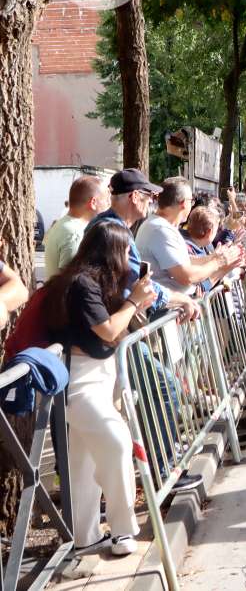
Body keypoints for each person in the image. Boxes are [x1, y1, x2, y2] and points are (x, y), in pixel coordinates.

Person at [43, 221, 158, 556]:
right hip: (79, 381)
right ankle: (123, 530)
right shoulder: (81, 284)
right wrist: (134, 303)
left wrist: (134, 305)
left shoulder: (92, 282)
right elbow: (108, 331)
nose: (129, 258)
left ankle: (86, 535)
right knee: (116, 441)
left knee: (83, 461)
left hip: (94, 376)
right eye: (125, 250)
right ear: (110, 252)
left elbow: (112, 331)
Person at [88, 169, 200, 321]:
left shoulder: (101, 223)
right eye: (150, 196)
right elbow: (138, 284)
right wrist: (183, 299)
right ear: (134, 196)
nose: (152, 201)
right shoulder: (115, 233)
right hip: (107, 321)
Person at [135, 178, 241, 296]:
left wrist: (213, 257)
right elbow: (187, 276)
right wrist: (218, 262)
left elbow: (184, 261)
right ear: (183, 203)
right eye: (191, 201)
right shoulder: (160, 229)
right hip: (168, 310)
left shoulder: (161, 226)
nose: (192, 205)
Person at [43, 175, 110, 279]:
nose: (108, 205)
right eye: (106, 200)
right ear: (93, 203)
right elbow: (70, 280)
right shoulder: (74, 233)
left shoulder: (63, 225)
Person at [182, 206, 246, 293]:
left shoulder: (206, 246)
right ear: (209, 232)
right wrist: (223, 269)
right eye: (216, 230)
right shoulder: (186, 247)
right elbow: (200, 286)